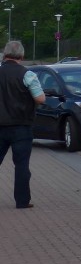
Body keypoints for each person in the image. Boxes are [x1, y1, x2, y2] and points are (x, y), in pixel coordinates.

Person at [0, 40, 46, 209]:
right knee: (21, 165)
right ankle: (22, 201)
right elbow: (40, 99)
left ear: (5, 54)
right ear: (22, 55)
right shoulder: (28, 75)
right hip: (21, 126)